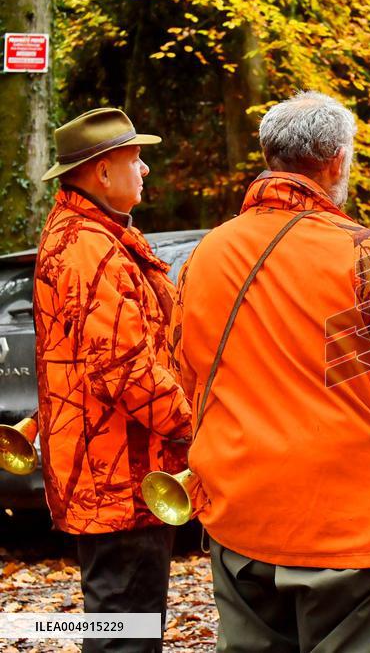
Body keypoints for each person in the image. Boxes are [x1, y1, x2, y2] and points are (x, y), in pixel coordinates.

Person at [169, 91, 370, 652]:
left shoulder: (205, 254)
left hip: (240, 514)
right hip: (348, 528)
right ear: (336, 161)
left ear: (269, 157)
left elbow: (184, 370)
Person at [34, 108, 193, 652]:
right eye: (135, 159)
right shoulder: (88, 248)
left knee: (125, 628)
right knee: (124, 632)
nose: (145, 169)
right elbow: (124, 370)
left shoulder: (94, 236)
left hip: (120, 469)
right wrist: (193, 426)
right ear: (103, 172)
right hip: (120, 476)